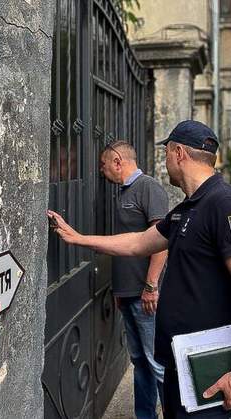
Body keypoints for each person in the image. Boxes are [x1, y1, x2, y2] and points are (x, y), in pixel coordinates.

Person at [48, 120, 231, 419]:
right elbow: (139, 242)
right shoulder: (188, 208)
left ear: (178, 153)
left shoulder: (225, 204)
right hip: (180, 362)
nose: (165, 162)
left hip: (209, 368)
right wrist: (79, 238)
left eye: (167, 153)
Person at [99, 140, 169, 419]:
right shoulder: (123, 192)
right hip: (128, 293)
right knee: (140, 361)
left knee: (157, 362)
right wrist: (120, 289)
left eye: (104, 166)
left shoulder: (148, 188)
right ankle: (145, 416)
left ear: (118, 161)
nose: (103, 172)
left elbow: (161, 241)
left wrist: (151, 286)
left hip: (145, 295)